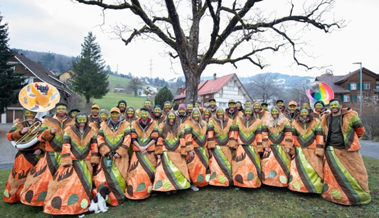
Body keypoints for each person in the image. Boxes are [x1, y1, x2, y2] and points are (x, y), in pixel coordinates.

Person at [43, 112, 100, 215]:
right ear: (76, 120)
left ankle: (83, 204)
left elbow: (94, 145)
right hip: (73, 162)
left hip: (86, 162)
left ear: (86, 120)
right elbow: (66, 146)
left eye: (84, 120)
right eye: (79, 120)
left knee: (86, 184)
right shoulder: (69, 130)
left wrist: (94, 158)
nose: (82, 122)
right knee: (70, 185)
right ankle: (66, 206)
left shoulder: (92, 131)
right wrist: (66, 159)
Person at [20, 103, 75, 206]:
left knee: (65, 179)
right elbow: (40, 137)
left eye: (63, 108)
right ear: (55, 110)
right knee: (45, 178)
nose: (61, 110)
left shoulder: (72, 121)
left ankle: (62, 200)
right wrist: (49, 133)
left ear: (66, 110)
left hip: (67, 154)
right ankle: (42, 200)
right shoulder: (47, 121)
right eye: (59, 109)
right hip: (51, 154)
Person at [321, 99, 371, 205]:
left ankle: (357, 195)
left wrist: (351, 140)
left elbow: (360, 130)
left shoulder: (351, 116)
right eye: (332, 105)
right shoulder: (326, 117)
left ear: (340, 105)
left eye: (335, 105)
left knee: (355, 171)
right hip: (331, 149)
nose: (333, 107)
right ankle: (333, 194)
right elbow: (323, 130)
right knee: (332, 174)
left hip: (347, 150)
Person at [4, 110, 44, 203]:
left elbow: (45, 139)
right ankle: (17, 196)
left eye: (31, 113)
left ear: (35, 114)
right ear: (24, 114)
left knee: (35, 177)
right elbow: (9, 136)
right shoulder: (19, 123)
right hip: (22, 155)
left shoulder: (42, 123)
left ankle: (32, 198)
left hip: (36, 155)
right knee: (19, 176)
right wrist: (21, 132)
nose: (29, 115)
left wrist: (41, 150)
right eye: (27, 113)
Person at [94, 107, 130, 206]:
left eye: (116, 114)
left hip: (121, 158)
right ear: (110, 115)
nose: (115, 116)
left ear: (119, 114)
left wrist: (120, 151)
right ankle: (105, 198)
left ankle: (118, 198)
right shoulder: (104, 125)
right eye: (113, 114)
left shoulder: (126, 125)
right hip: (107, 156)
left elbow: (127, 138)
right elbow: (99, 138)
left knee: (120, 178)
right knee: (102, 178)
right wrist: (105, 151)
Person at [153, 111, 191, 194]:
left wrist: (183, 150)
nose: (171, 119)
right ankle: (167, 188)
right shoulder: (163, 127)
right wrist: (159, 151)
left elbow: (182, 140)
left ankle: (176, 187)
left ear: (175, 118)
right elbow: (160, 139)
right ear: (167, 118)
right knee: (163, 170)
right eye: (169, 117)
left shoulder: (179, 127)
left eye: (172, 117)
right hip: (165, 152)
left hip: (177, 152)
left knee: (178, 170)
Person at [288, 108, 324, 194]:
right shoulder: (295, 123)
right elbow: (293, 136)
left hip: (312, 148)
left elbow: (319, 136)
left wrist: (319, 148)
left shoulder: (316, 122)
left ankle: (313, 187)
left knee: (312, 168)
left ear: (309, 113)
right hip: (299, 148)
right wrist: (292, 148)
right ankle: (297, 187)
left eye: (305, 112)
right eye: (302, 112)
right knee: (297, 168)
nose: (304, 114)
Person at [126, 107, 158, 200]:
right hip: (137, 152)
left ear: (148, 114)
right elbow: (133, 138)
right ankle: (136, 191)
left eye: (146, 114)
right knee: (136, 173)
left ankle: (151, 189)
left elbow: (154, 138)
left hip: (150, 152)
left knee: (151, 171)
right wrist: (140, 148)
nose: (144, 116)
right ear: (140, 114)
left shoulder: (154, 124)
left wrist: (145, 147)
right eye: (142, 114)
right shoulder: (134, 124)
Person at [261, 106, 293, 187]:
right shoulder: (266, 122)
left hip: (282, 146)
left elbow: (288, 134)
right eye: (273, 112)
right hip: (270, 146)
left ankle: (281, 182)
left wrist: (288, 146)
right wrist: (265, 145)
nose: (274, 114)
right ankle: (268, 182)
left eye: (276, 112)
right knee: (268, 164)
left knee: (282, 164)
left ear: (279, 112)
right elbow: (264, 134)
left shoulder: (285, 121)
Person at [232, 106, 263, 188]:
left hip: (252, 146)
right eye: (246, 112)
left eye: (249, 112)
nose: (248, 114)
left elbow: (259, 135)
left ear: (252, 113)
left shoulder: (257, 122)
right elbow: (235, 133)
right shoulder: (239, 120)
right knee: (240, 165)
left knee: (251, 165)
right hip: (241, 146)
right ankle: (239, 182)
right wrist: (233, 144)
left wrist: (259, 146)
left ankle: (252, 182)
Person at [207, 108, 236, 187]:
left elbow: (232, 133)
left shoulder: (229, 121)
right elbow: (210, 133)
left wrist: (232, 143)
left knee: (227, 164)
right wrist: (211, 144)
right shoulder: (212, 121)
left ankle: (227, 181)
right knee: (216, 166)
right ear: (216, 113)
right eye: (218, 113)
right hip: (216, 147)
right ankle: (216, 181)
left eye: (221, 113)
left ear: (223, 113)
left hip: (226, 147)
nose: (220, 114)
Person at [184, 108, 209, 191]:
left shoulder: (204, 124)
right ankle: (193, 183)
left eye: (197, 114)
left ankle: (202, 182)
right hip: (194, 149)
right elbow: (188, 138)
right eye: (194, 114)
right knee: (194, 167)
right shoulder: (189, 124)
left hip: (203, 149)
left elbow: (207, 136)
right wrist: (190, 150)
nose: (196, 116)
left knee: (203, 166)